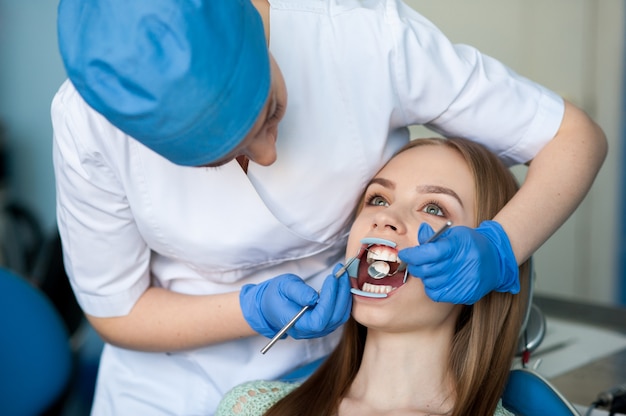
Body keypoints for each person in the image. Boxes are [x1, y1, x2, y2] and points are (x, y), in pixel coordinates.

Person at [52, 0, 607, 414]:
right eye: (377, 196)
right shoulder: (88, 125)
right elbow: (116, 309)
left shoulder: (361, 38)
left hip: (331, 359)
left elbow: (573, 138)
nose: (268, 155)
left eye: (270, 113)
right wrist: (248, 310)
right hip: (166, 390)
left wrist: (498, 246)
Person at [216, 137, 531, 416]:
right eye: (378, 199)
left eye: (434, 209)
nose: (385, 217)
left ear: (480, 268)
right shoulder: (251, 409)